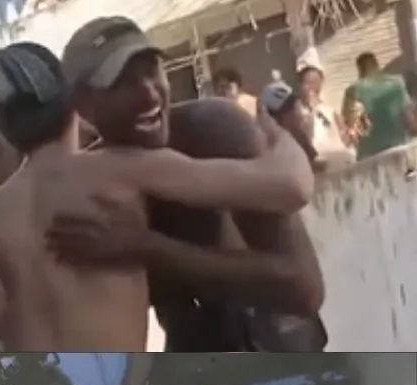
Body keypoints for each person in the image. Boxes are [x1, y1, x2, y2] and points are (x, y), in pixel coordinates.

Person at [0, 37, 315, 351]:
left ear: (4, 129)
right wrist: (278, 134)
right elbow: (291, 187)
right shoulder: (118, 168)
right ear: (72, 103)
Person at [48, 17, 326, 352]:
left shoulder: (211, 130)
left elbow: (304, 289)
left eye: (152, 70)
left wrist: (147, 248)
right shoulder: (90, 185)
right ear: (83, 105)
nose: (149, 92)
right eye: (122, 82)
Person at [341, 52, 417, 161]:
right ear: (377, 65)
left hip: (369, 156)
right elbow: (409, 117)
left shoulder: (353, 91)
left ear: (359, 69)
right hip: (399, 149)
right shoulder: (396, 83)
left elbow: (349, 124)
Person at [297, 65, 354, 168]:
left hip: (337, 162)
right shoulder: (295, 111)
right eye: (309, 83)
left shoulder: (330, 110)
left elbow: (344, 136)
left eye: (316, 83)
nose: (313, 88)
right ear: (301, 85)